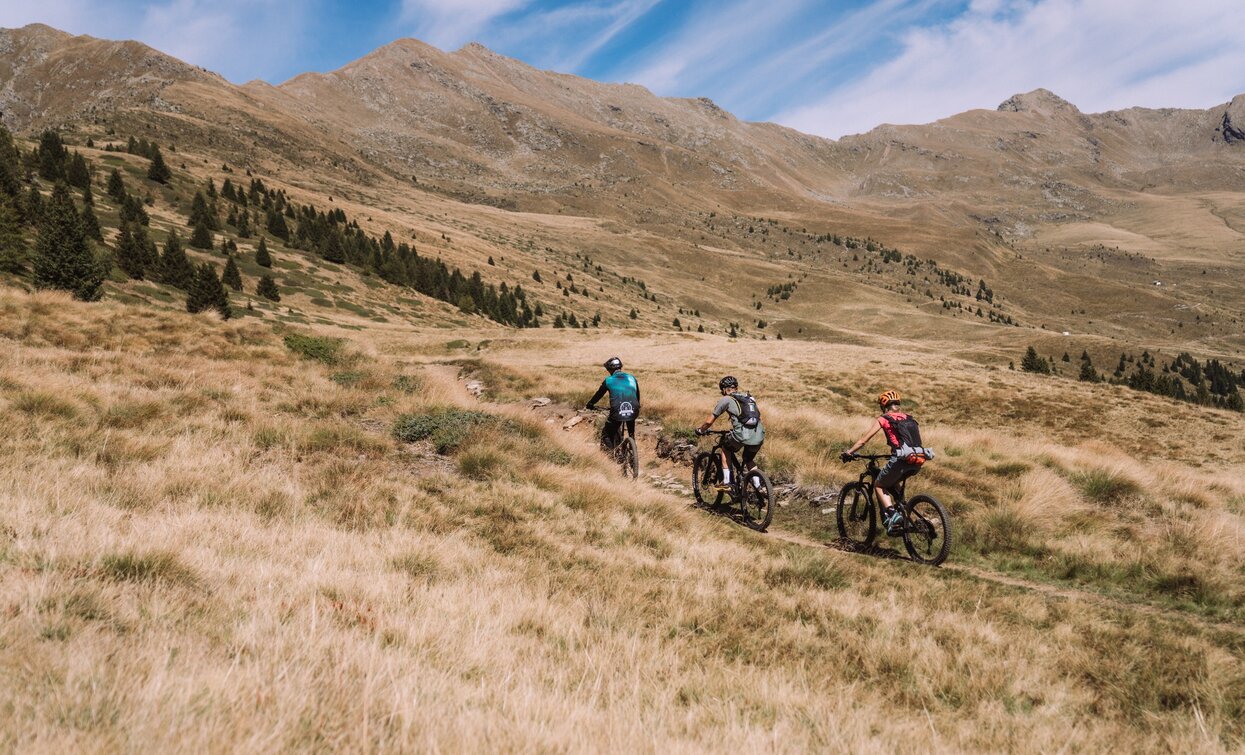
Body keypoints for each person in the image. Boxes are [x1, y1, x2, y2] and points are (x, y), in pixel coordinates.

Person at [841, 390, 933, 534]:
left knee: (879, 485)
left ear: (883, 406)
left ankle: (893, 514)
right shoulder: (908, 418)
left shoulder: (884, 419)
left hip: (901, 459)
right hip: (918, 459)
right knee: (893, 482)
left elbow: (864, 440)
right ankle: (902, 511)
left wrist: (849, 452)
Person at [696, 376, 764, 491]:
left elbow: (709, 422)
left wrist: (700, 430)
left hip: (741, 435)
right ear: (736, 387)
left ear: (724, 389)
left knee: (725, 449)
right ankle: (759, 487)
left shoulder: (726, 399)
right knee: (748, 459)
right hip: (758, 434)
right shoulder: (749, 397)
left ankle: (727, 482)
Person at [586, 357, 640, 451]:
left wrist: (590, 404)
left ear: (610, 369)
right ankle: (632, 443)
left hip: (617, 410)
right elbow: (637, 395)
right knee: (631, 428)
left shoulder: (608, 380)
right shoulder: (632, 378)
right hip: (634, 408)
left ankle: (611, 456)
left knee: (606, 434)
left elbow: (599, 394)